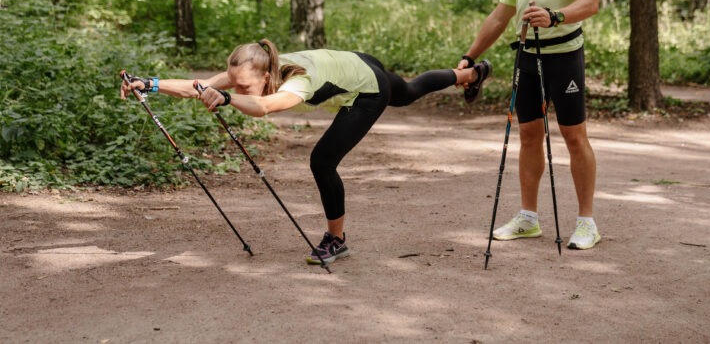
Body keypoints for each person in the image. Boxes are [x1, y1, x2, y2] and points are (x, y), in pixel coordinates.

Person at [121, 39, 492, 264]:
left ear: (266, 76)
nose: (239, 87)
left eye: (245, 85)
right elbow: (195, 86)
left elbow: (265, 108)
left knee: (323, 160)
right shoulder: (255, 66)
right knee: (409, 93)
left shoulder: (296, 81)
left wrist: (230, 99)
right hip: (356, 62)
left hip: (366, 88)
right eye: (234, 82)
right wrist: (148, 84)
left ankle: (337, 240)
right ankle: (471, 75)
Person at [458, 0, 601, 250]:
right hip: (527, 55)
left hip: (565, 56)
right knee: (528, 135)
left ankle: (586, 222)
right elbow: (499, 17)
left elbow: (590, 2)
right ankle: (528, 218)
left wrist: (555, 16)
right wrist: (469, 56)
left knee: (573, 135)